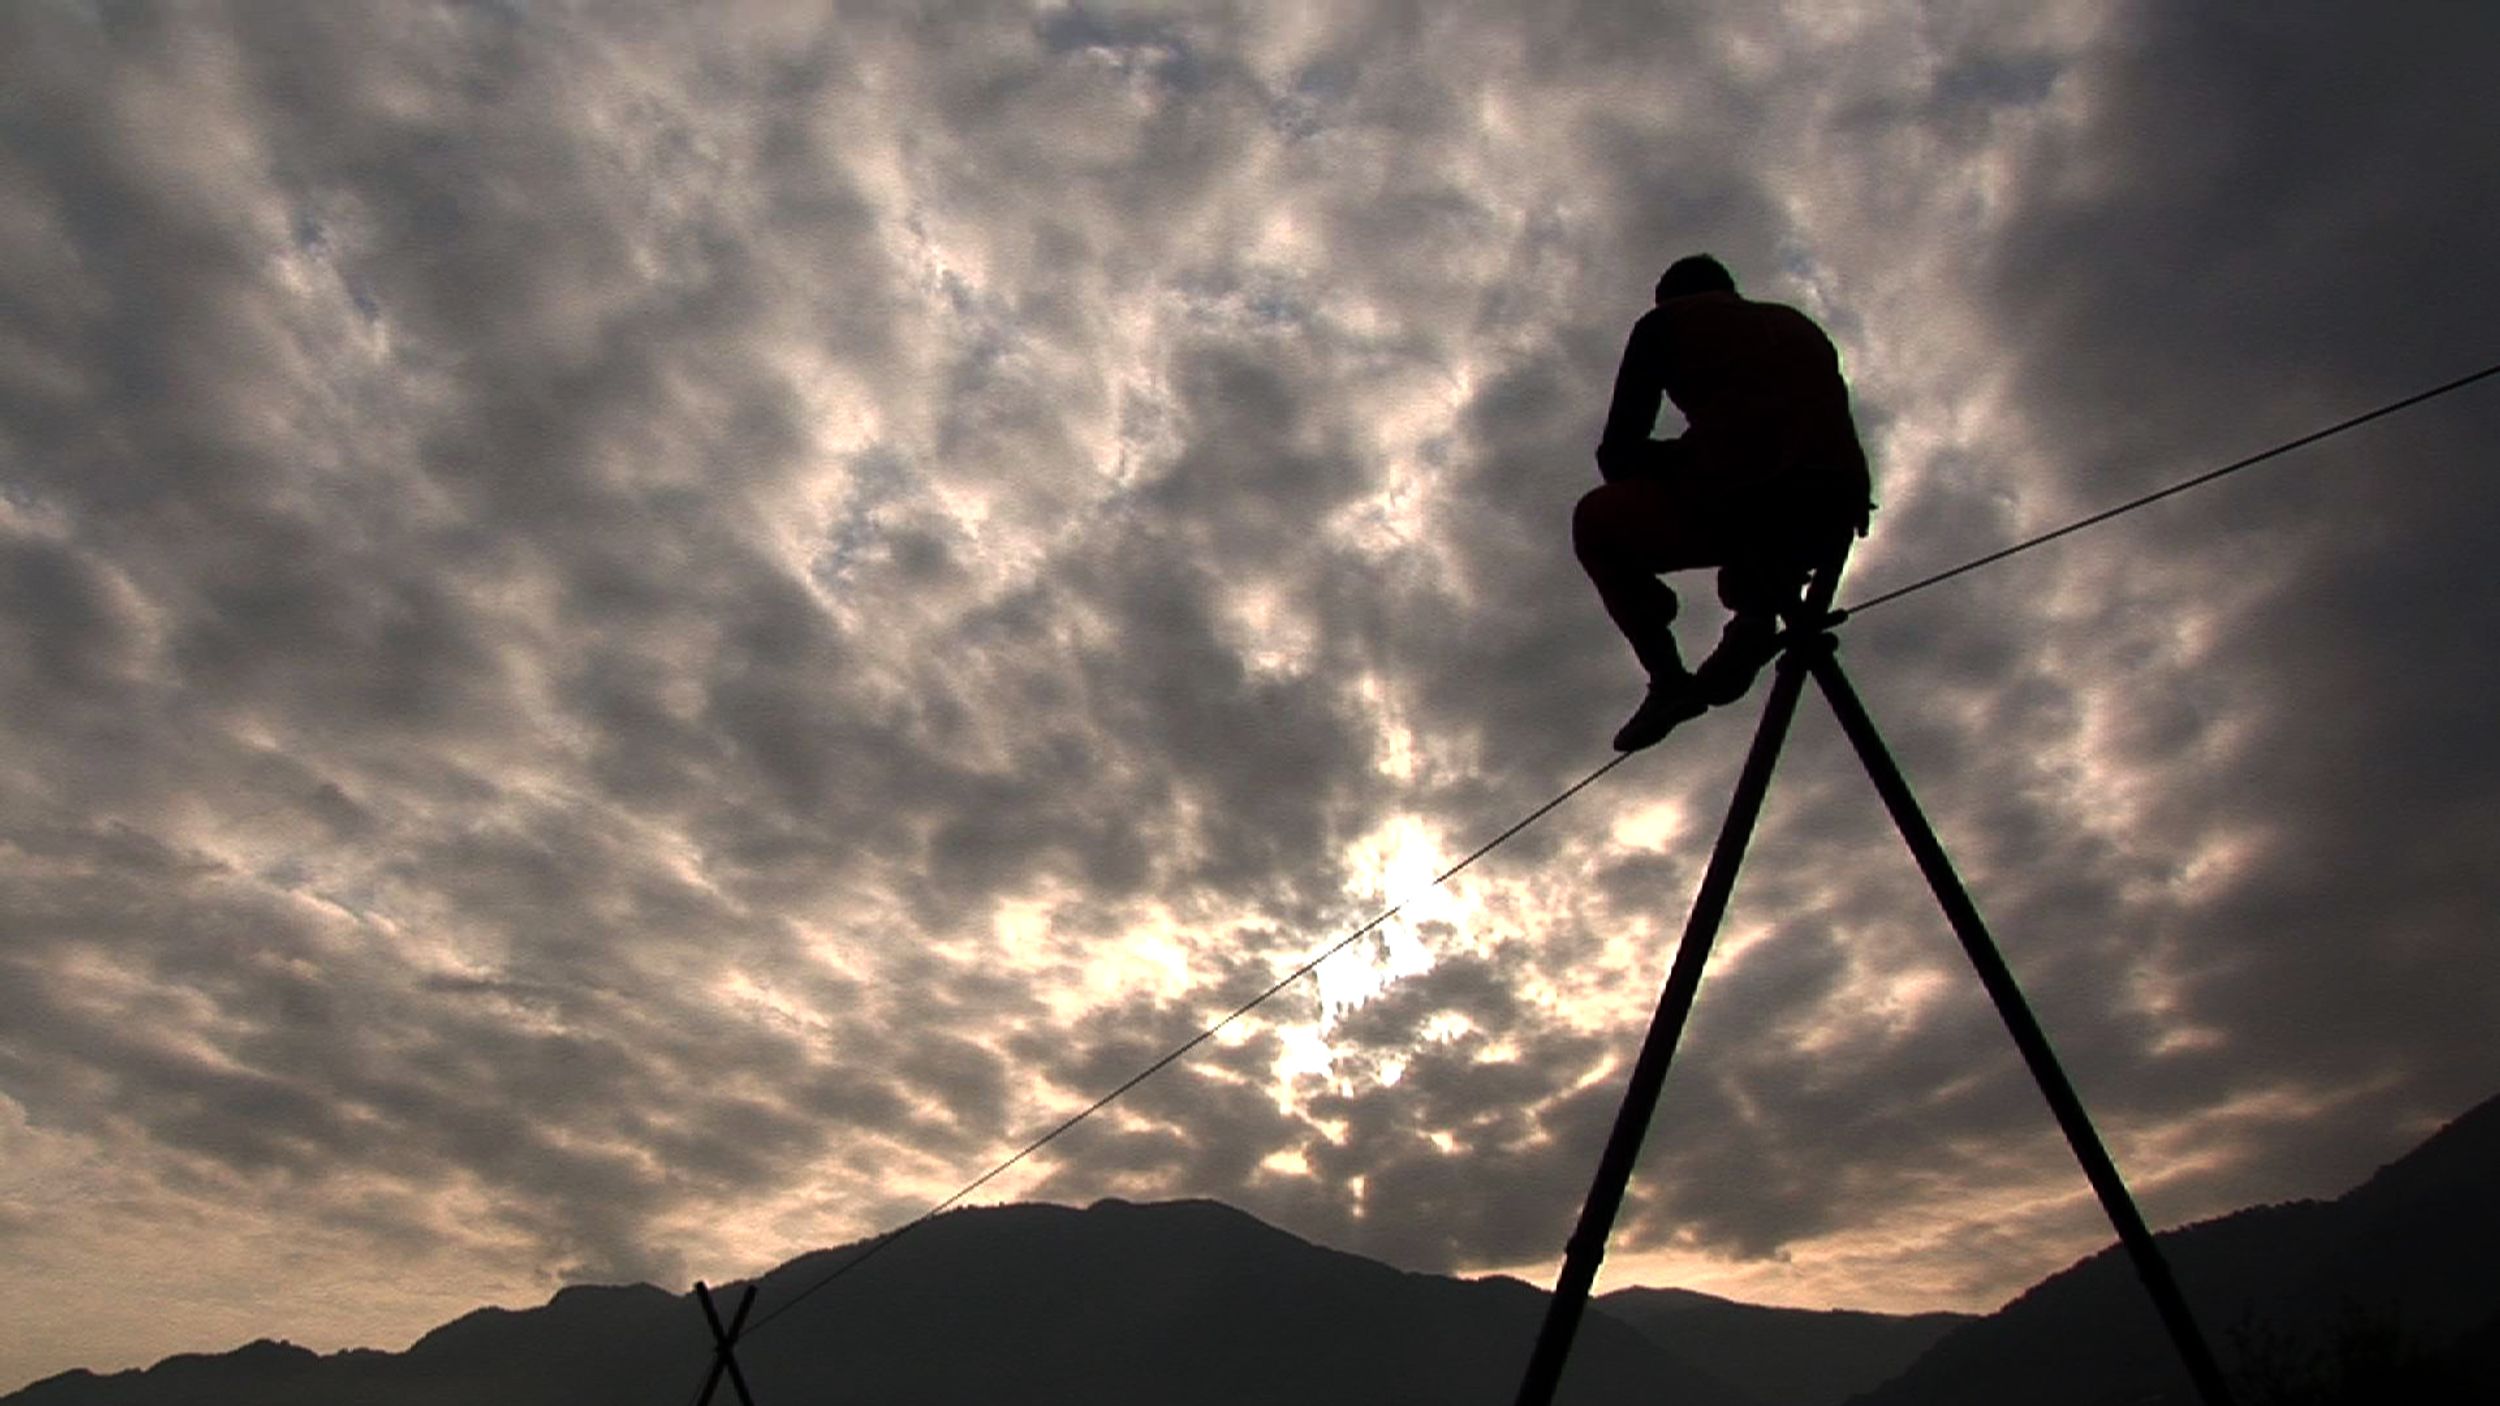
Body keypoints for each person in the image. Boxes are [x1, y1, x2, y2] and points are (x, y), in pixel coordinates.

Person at [1573, 254, 1872, 751]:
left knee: (1595, 522)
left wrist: (1674, 457)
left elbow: (1618, 452)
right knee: (1755, 513)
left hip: (1752, 499)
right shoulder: (1798, 324)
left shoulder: (1664, 325)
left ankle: (1668, 680)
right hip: (1837, 509)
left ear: (1671, 298)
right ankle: (1754, 616)